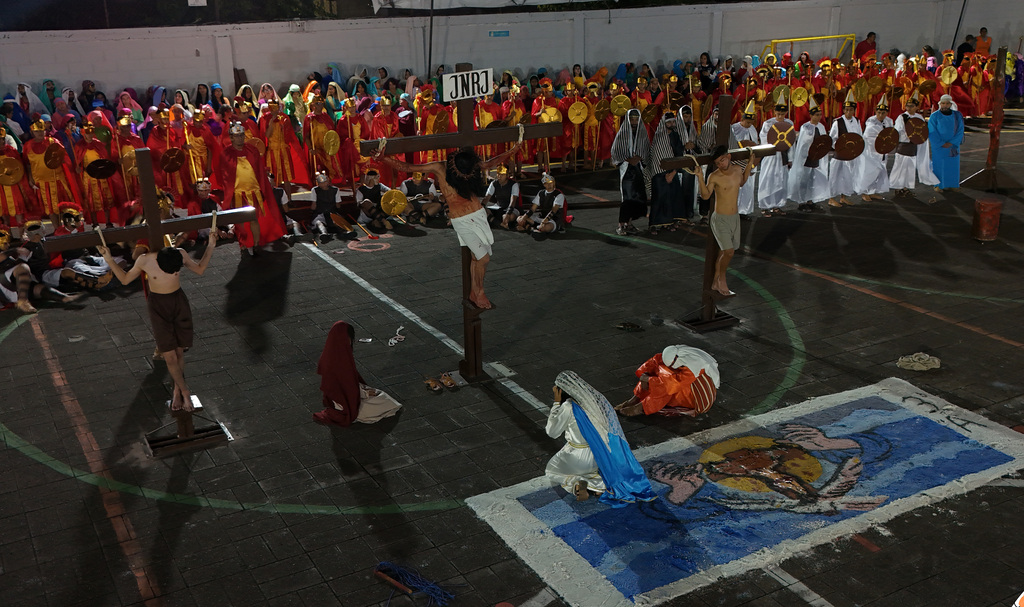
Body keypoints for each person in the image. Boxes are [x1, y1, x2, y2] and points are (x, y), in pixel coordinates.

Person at [375, 139, 525, 310]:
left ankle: (474, 293)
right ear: (454, 168)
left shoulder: (470, 163)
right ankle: (480, 292)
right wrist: (383, 159)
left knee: (478, 257)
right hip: (461, 219)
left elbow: (489, 163)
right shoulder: (439, 168)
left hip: (478, 213)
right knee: (484, 258)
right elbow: (408, 167)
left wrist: (513, 150)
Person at [97, 232, 217, 412]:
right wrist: (108, 258)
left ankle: (177, 390)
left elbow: (199, 269)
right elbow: (125, 279)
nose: (175, 273)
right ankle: (185, 391)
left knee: (179, 351)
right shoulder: (145, 260)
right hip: (158, 306)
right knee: (169, 355)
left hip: (178, 302)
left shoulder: (179, 254)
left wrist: (211, 246)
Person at [545, 370, 658, 505]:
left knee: (552, 469)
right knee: (597, 472)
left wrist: (556, 404)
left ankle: (576, 484)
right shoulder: (593, 401)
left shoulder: (568, 406)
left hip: (576, 454)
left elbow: (552, 432)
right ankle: (598, 486)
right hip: (598, 455)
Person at [692, 145, 756, 296]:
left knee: (725, 251)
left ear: (728, 157)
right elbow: (705, 196)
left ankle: (716, 281)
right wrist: (700, 177)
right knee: (729, 251)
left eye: (722, 160)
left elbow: (742, 182)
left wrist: (749, 164)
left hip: (734, 218)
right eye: (717, 163)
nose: (720, 164)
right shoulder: (714, 176)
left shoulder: (737, 170)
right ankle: (722, 279)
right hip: (720, 219)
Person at [313, 321, 402, 427]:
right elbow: (347, 387)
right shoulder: (341, 359)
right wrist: (366, 393)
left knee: (380, 397)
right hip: (344, 402)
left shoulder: (330, 352)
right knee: (385, 401)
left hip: (339, 398)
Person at [616, 345, 720, 417]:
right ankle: (637, 398)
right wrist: (644, 375)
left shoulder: (694, 366)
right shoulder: (676, 355)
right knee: (658, 370)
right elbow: (654, 361)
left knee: (664, 382)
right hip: (682, 389)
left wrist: (648, 379)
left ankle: (641, 407)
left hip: (697, 399)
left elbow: (671, 385)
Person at [890, 92, 939, 197]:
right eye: (907, 106)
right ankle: (898, 188)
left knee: (909, 169)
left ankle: (906, 188)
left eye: (912, 106)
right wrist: (909, 135)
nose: (909, 108)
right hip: (904, 146)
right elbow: (898, 131)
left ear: (917, 107)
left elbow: (922, 131)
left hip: (913, 147)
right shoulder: (902, 117)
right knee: (901, 168)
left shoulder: (919, 117)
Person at [610, 108, 651, 235]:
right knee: (627, 198)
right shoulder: (622, 134)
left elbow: (646, 149)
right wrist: (628, 159)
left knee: (638, 197)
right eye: (632, 120)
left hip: (638, 168)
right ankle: (621, 225)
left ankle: (630, 223)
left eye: (636, 120)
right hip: (627, 169)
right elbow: (616, 151)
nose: (634, 122)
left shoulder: (642, 133)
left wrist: (638, 158)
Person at [787, 97, 830, 212]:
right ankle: (802, 202)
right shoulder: (805, 127)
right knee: (803, 180)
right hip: (806, 159)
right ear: (811, 115)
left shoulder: (821, 127)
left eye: (820, 115)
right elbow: (803, 144)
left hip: (816, 158)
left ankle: (810, 200)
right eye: (816, 115)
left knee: (813, 180)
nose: (819, 117)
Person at [827, 91, 865, 207]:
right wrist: (840, 147)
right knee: (835, 176)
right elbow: (832, 138)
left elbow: (859, 136)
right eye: (847, 110)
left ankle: (843, 197)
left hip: (851, 154)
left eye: (851, 110)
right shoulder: (838, 122)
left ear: (854, 110)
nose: (849, 112)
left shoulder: (857, 121)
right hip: (840, 154)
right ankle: (831, 198)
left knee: (847, 176)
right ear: (843, 110)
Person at [757, 97, 793, 217]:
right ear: (774, 112)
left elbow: (791, 142)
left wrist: (790, 158)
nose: (780, 116)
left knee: (781, 180)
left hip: (783, 156)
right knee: (768, 180)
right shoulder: (768, 124)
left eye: (782, 114)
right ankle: (764, 206)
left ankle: (777, 205)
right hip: (771, 156)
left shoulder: (789, 123)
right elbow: (764, 139)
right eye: (778, 114)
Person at [857, 94, 893, 201]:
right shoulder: (871, 122)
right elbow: (868, 135)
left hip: (882, 151)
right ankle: (864, 192)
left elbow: (891, 134)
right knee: (869, 172)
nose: (880, 115)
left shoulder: (889, 121)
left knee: (878, 172)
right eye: (879, 112)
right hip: (871, 152)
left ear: (886, 113)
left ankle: (872, 191)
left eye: (883, 113)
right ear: (875, 112)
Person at [928, 94, 964, 191]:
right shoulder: (934, 116)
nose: (945, 105)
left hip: (953, 146)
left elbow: (960, 130)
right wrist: (941, 143)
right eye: (943, 103)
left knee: (953, 166)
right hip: (939, 147)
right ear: (940, 104)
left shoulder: (957, 115)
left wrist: (952, 142)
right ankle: (938, 185)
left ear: (951, 104)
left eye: (947, 103)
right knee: (939, 166)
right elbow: (932, 131)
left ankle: (953, 184)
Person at [731, 100, 760, 217]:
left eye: (751, 122)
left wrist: (753, 166)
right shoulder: (734, 128)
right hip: (737, 164)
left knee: (748, 188)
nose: (749, 124)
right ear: (742, 119)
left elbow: (755, 147)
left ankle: (744, 211)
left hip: (749, 164)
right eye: (747, 122)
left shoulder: (752, 129)